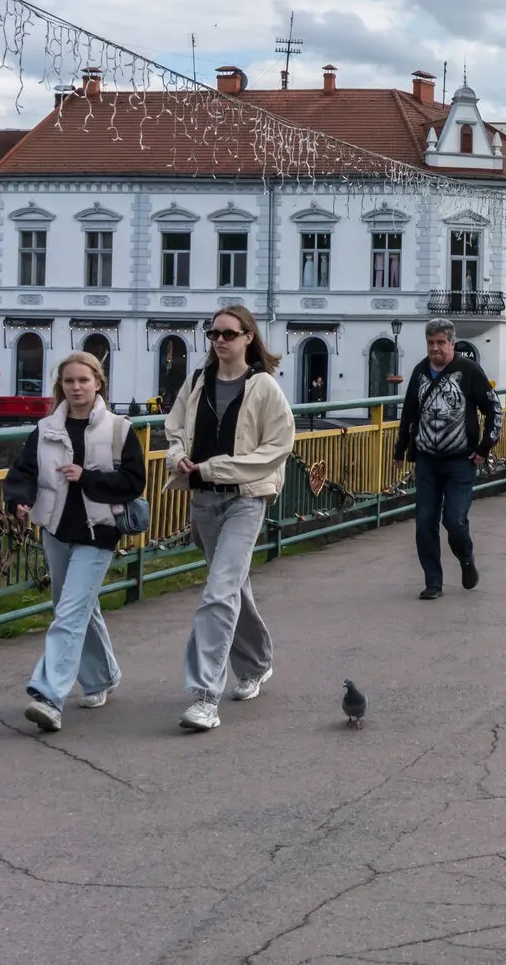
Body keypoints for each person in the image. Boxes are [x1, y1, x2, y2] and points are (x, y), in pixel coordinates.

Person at [164, 304, 294, 733]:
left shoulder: (264, 388)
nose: (219, 341)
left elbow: (277, 447)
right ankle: (256, 664)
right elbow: (175, 430)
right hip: (202, 500)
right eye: (213, 333)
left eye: (228, 334)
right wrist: (179, 457)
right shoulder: (197, 382)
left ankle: (204, 698)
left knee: (218, 593)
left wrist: (217, 468)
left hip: (245, 499)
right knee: (233, 586)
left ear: (247, 338)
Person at [5, 351, 144, 734]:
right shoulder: (47, 428)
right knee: (76, 607)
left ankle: (49, 695)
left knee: (69, 613)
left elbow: (134, 482)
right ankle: (102, 677)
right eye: (69, 381)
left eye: (83, 380)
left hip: (98, 533)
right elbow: (24, 471)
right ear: (60, 386)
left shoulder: (119, 429)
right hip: (56, 530)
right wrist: (19, 498)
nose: (76, 387)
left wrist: (87, 478)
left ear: (98, 383)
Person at [395, 318, 501, 599]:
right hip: (427, 460)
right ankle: (433, 581)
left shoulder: (468, 371)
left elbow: (494, 410)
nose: (435, 348)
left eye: (441, 343)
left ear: (452, 344)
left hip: (460, 460)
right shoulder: (420, 372)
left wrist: (484, 447)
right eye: (431, 343)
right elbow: (408, 412)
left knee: (454, 520)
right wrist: (400, 449)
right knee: (424, 521)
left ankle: (466, 558)